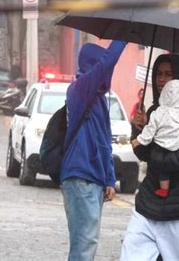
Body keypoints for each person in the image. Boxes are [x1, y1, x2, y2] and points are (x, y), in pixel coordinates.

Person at [121, 54, 179, 261]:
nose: (162, 79)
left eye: (168, 74)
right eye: (159, 74)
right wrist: (138, 130)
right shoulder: (154, 111)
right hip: (147, 205)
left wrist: (155, 155)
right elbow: (142, 153)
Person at [60, 40, 127, 260]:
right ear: (92, 65)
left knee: (87, 244)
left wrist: (109, 179)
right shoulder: (80, 89)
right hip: (80, 177)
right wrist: (123, 35)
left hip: (95, 180)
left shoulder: (99, 99)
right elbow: (109, 61)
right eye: (101, 66)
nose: (107, 72)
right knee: (84, 246)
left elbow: (105, 141)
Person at [131, 79, 179, 198]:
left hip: (161, 146)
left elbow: (150, 131)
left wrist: (139, 140)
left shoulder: (157, 112)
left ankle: (163, 189)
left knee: (163, 168)